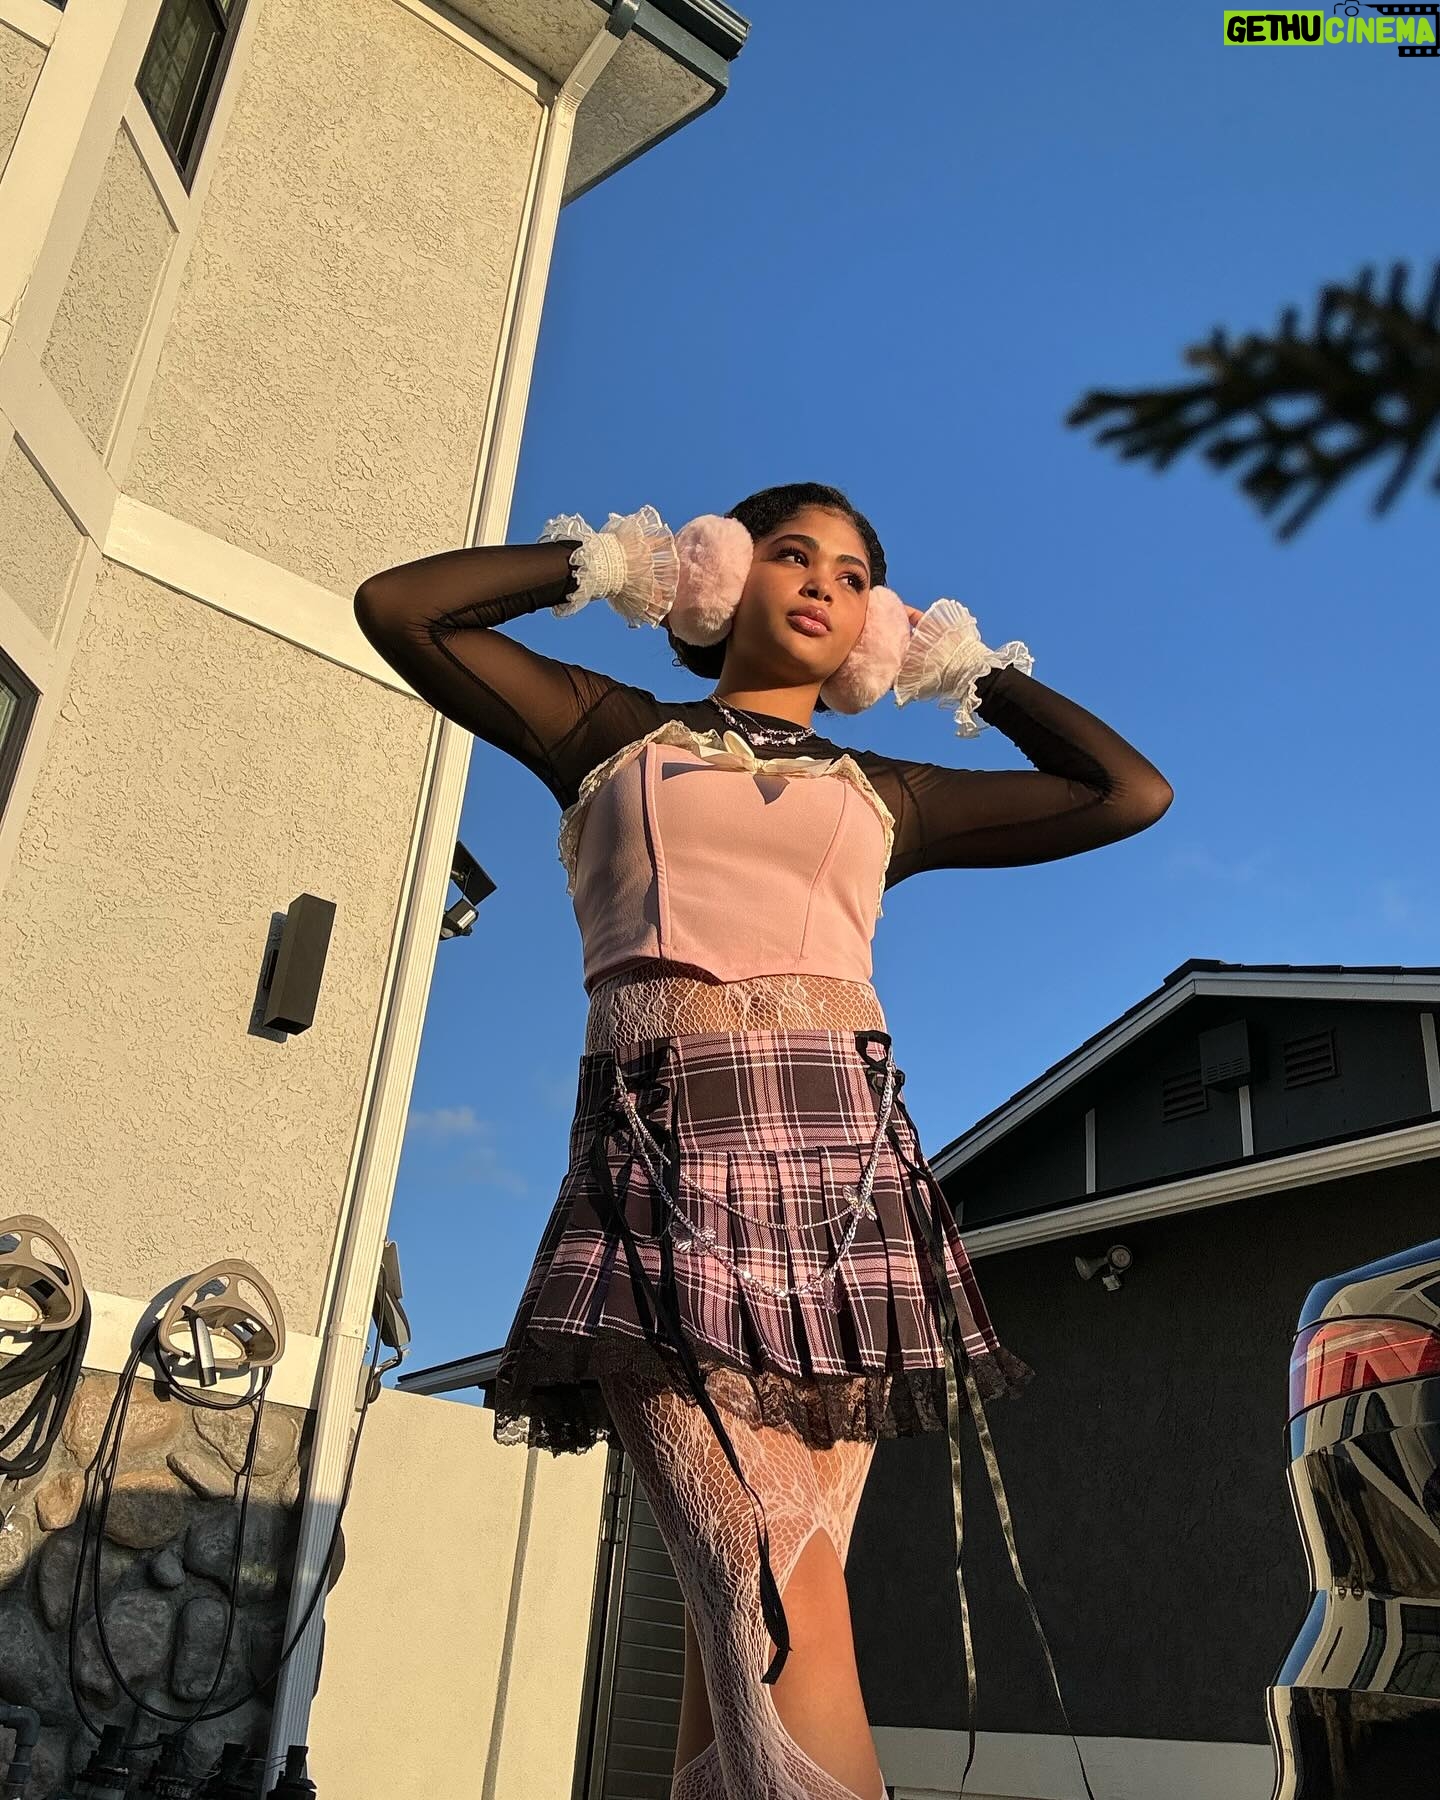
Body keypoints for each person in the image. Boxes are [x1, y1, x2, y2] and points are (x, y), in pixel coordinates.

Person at [354, 483, 1172, 1800]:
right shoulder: (610, 731)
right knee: (771, 1585)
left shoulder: (884, 789)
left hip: (846, 1196)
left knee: (752, 1621)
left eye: (855, 577)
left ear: (873, 626)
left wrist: (962, 669)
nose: (823, 586)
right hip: (663, 1171)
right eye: (791, 554)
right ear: (723, 571)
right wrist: (609, 565)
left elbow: (1125, 791)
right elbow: (403, 611)